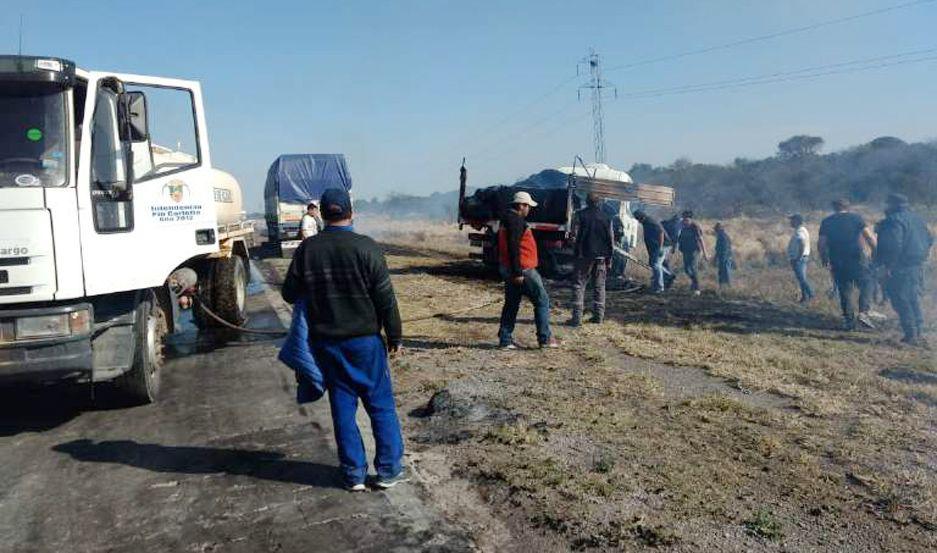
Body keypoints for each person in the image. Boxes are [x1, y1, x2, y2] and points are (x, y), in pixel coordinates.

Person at [281, 188, 406, 491]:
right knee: (381, 406)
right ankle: (388, 471)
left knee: (343, 409)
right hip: (366, 343)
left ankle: (353, 475)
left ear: (322, 214)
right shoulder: (367, 247)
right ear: (352, 212)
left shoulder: (308, 250)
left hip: (327, 344)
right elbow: (386, 298)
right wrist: (395, 335)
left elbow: (289, 293)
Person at [497, 191, 559, 349]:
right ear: (520, 205)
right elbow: (513, 247)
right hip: (524, 269)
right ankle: (545, 338)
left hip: (510, 267)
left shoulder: (505, 220)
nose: (529, 209)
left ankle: (505, 339)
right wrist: (517, 272)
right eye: (527, 206)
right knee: (542, 301)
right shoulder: (516, 221)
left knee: (512, 303)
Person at [874, 193, 934, 345]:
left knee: (900, 298)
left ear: (891, 205)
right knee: (912, 297)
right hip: (916, 266)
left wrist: (888, 266)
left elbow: (893, 245)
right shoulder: (917, 219)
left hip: (899, 266)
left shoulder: (893, 221)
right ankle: (918, 330)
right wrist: (923, 256)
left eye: (887, 204)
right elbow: (930, 239)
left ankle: (911, 334)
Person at [818, 199, 877, 330]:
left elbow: (821, 243)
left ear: (834, 208)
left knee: (844, 290)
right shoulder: (856, 218)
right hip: (857, 258)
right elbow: (869, 237)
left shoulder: (827, 222)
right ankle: (863, 312)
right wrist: (875, 251)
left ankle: (849, 321)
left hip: (837, 259)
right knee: (867, 283)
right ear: (848, 207)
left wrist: (824, 258)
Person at [568, 194, 614, 326]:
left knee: (579, 285)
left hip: (583, 256)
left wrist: (574, 248)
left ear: (586, 201)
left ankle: (577, 319)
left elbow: (574, 236)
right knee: (600, 286)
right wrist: (609, 258)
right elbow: (611, 239)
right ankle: (599, 317)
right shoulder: (607, 217)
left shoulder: (579, 215)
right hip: (601, 257)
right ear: (599, 202)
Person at [674, 210, 708, 295]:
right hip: (685, 250)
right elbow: (678, 238)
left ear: (690, 219)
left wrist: (705, 253)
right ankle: (693, 283)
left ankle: (697, 288)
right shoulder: (682, 226)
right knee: (686, 269)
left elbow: (701, 240)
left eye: (687, 220)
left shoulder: (695, 227)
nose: (685, 221)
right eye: (684, 219)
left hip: (694, 250)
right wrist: (675, 248)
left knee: (693, 268)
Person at [634, 210, 667, 293]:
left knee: (656, 265)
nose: (638, 221)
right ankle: (668, 276)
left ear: (642, 217)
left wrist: (660, 247)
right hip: (654, 247)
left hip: (659, 246)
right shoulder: (646, 222)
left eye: (638, 219)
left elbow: (661, 233)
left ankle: (659, 287)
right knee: (654, 264)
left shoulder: (651, 222)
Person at [787, 214, 815, 303]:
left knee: (802, 279)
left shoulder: (800, 231)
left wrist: (798, 257)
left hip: (799, 259)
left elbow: (802, 243)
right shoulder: (801, 230)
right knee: (801, 279)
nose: (790, 222)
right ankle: (804, 297)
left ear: (797, 221)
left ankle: (811, 294)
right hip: (801, 258)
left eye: (792, 220)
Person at [713, 223, 734, 288]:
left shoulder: (722, 237)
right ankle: (722, 287)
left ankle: (728, 287)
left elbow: (724, 249)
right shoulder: (723, 236)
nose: (715, 231)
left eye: (716, 229)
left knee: (726, 272)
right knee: (723, 272)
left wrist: (721, 258)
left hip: (724, 257)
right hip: (724, 257)